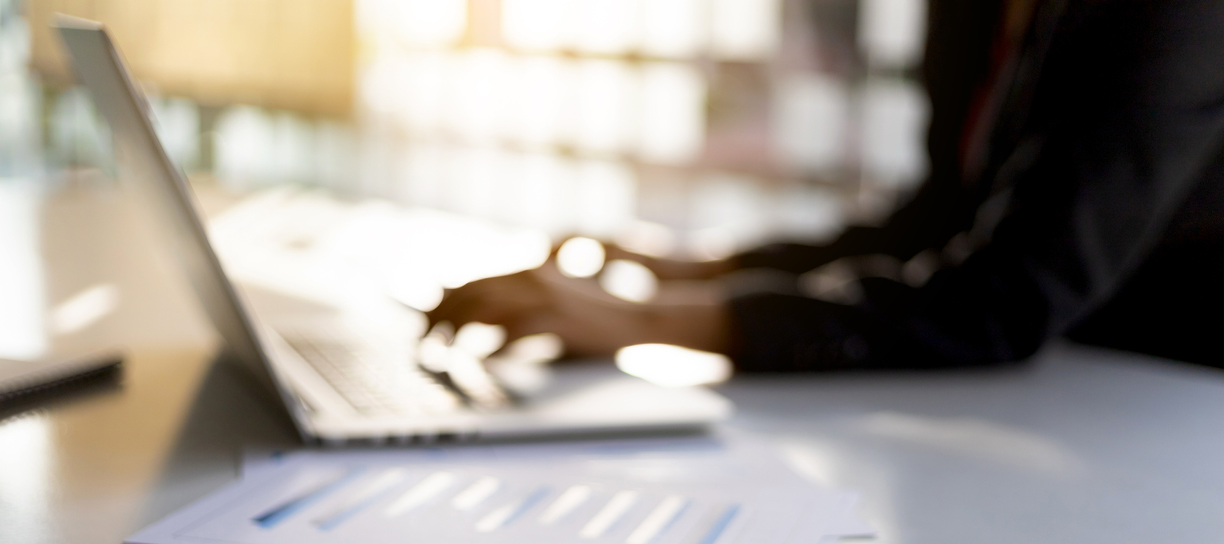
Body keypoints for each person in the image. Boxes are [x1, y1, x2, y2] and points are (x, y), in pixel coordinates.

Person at [431, 0, 1224, 372]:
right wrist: (701, 268)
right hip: (1053, 389)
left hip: (1162, 410)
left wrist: (645, 320)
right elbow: (934, 222)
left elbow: (1006, 298)